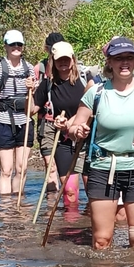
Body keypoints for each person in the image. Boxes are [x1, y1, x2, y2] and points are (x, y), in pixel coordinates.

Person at [67, 36, 134, 249]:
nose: (125, 63)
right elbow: (75, 127)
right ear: (109, 62)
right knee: (102, 240)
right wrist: (79, 130)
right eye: (118, 58)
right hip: (103, 169)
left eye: (129, 57)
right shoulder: (96, 93)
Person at [30, 41, 92, 207]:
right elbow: (31, 110)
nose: (63, 63)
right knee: (69, 191)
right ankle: (71, 229)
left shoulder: (87, 79)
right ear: (53, 61)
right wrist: (28, 91)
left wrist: (71, 123)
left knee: (92, 190)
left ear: (73, 58)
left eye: (66, 58)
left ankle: (91, 226)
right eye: (59, 60)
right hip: (63, 140)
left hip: (87, 138)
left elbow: (93, 107)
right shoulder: (48, 84)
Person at [0, 30, 36, 195]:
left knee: (21, 168)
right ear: (6, 46)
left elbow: (33, 99)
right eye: (12, 44)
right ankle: (6, 209)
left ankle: (18, 202)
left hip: (25, 120)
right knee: (6, 170)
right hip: (3, 120)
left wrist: (31, 88)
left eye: (19, 44)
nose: (16, 47)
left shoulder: (29, 68)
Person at [34, 32, 65, 192]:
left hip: (68, 122)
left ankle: (68, 207)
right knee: (50, 166)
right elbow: (34, 99)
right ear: (47, 49)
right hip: (46, 122)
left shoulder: (71, 66)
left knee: (66, 169)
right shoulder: (39, 68)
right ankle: (52, 204)